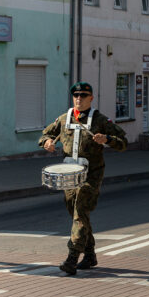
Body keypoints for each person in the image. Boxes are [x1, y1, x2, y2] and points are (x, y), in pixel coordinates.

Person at [39, 82, 128, 275]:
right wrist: (46, 142)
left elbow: (123, 143)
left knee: (80, 211)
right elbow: (46, 133)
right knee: (77, 214)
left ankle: (72, 258)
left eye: (83, 95)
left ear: (91, 98)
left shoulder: (101, 120)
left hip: (92, 174)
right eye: (76, 95)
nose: (79, 98)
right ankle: (90, 255)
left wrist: (108, 140)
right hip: (69, 175)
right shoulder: (64, 119)